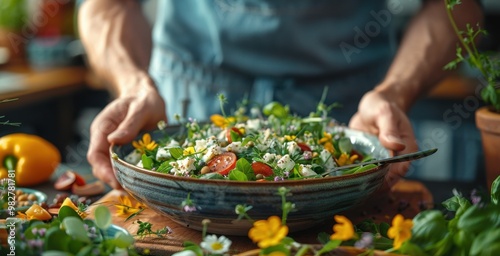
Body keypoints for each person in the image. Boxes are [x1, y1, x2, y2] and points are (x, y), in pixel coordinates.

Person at [78, 0, 483, 190]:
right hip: (188, 96)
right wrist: (133, 83)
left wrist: (395, 92)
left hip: (350, 107)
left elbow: (457, 5)